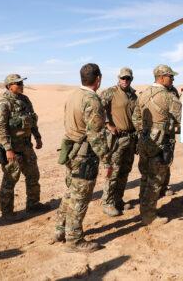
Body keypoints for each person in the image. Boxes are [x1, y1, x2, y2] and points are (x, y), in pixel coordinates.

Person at [53, 63, 109, 252]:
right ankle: (74, 240)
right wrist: (106, 158)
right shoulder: (92, 100)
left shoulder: (74, 95)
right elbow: (95, 134)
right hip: (84, 156)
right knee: (80, 198)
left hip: (71, 151)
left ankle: (60, 229)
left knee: (70, 193)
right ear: (98, 79)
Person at [0, 74, 48, 221]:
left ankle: (33, 204)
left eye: (21, 83)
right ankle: (7, 214)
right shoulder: (3, 104)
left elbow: (32, 120)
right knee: (10, 181)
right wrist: (8, 149)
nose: (21, 85)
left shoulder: (25, 100)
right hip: (13, 150)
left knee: (33, 176)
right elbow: (0, 128)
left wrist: (37, 137)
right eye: (17, 83)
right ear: (9, 86)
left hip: (26, 146)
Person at [132, 64, 182, 225]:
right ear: (161, 78)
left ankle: (144, 207)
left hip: (145, 141)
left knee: (145, 176)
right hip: (160, 144)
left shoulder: (144, 94)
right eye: (170, 76)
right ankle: (149, 216)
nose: (173, 79)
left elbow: (136, 118)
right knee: (155, 180)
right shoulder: (168, 97)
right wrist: (170, 128)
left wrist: (145, 131)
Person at [99, 67, 138, 217]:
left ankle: (117, 199)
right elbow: (98, 108)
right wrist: (108, 124)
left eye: (127, 78)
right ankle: (107, 203)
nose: (125, 81)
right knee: (113, 172)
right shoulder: (111, 92)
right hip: (116, 139)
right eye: (123, 78)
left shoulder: (134, 95)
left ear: (131, 79)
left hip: (130, 138)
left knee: (125, 171)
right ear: (118, 78)